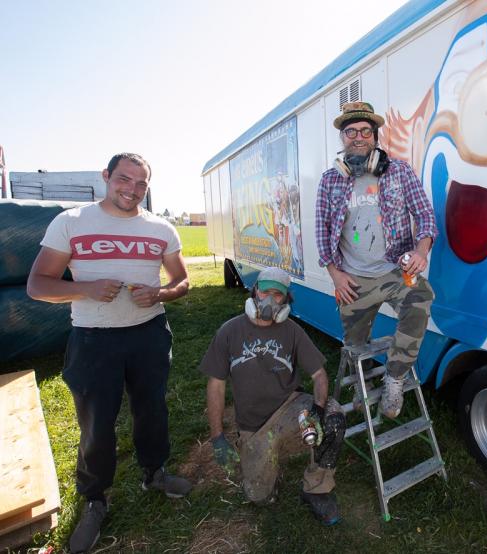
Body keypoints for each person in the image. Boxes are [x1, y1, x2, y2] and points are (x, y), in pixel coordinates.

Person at [26, 153, 191, 553]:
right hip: (93, 337)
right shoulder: (72, 222)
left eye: (141, 184)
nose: (131, 189)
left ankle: (154, 472)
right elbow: (37, 284)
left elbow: (182, 280)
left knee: (152, 409)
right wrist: (85, 288)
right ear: (106, 176)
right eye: (124, 179)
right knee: (97, 423)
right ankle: (95, 500)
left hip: (149, 333)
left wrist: (162, 293)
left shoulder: (160, 228)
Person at [315, 101, 437, 419]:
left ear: (375, 137)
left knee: (421, 298)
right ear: (342, 138)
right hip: (352, 279)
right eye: (350, 131)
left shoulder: (399, 172)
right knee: (355, 343)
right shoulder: (330, 181)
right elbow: (321, 231)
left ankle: (394, 377)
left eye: (365, 131)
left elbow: (425, 214)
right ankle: (359, 383)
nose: (358, 137)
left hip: (394, 269)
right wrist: (335, 276)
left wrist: (421, 252)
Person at [200, 267, 345, 525]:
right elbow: (216, 385)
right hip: (253, 425)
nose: (268, 299)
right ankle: (266, 463)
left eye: (277, 295)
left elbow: (319, 375)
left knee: (334, 417)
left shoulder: (292, 331)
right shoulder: (229, 332)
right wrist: (217, 436)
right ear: (255, 291)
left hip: (290, 407)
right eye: (264, 291)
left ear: (286, 300)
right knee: (259, 497)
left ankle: (317, 488)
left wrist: (318, 410)